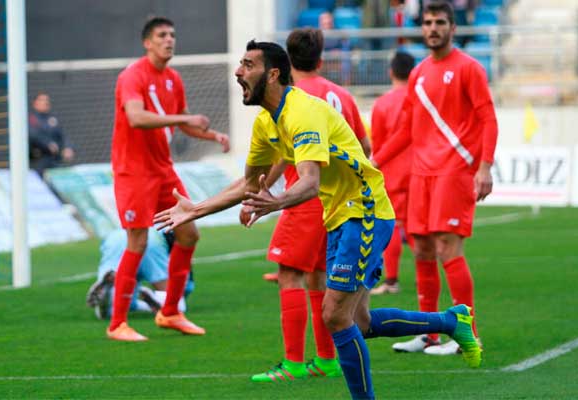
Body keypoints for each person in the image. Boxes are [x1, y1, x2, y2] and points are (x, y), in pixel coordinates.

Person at [155, 39, 481, 399]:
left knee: (334, 316)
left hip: (365, 210)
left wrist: (275, 202)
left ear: (273, 73)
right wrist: (196, 209)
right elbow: (248, 183)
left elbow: (309, 182)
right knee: (359, 322)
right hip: (339, 216)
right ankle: (452, 320)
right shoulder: (267, 122)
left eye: (248, 65)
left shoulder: (303, 112)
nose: (238, 71)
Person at [371, 1, 497, 355]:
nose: (433, 28)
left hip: (455, 170)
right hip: (421, 174)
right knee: (423, 250)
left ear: (452, 28)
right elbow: (407, 128)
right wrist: (375, 160)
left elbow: (488, 118)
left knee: (447, 248)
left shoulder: (469, 69)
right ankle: (429, 333)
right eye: (427, 22)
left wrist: (484, 166)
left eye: (440, 22)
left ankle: (466, 334)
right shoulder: (418, 73)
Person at [249, 27, 370, 383]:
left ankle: (292, 364)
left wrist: (263, 192)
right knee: (319, 276)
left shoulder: (292, 99)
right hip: (337, 201)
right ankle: (327, 359)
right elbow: (364, 147)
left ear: (284, 60)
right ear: (320, 57)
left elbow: (288, 157)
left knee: (289, 274)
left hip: (302, 198)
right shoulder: (340, 95)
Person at [107, 16, 230, 342]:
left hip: (163, 170)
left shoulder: (173, 78)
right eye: (162, 35)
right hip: (133, 171)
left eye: (172, 35)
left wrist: (211, 134)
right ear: (148, 42)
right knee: (138, 241)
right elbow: (135, 117)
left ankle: (171, 311)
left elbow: (181, 123)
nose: (169, 40)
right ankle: (117, 323)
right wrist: (185, 117)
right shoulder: (132, 76)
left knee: (189, 233)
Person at [369, 52, 416, 295]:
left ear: (391, 72)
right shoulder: (420, 100)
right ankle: (424, 275)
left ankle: (392, 280)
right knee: (417, 226)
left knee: (394, 225)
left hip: (392, 171)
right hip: (420, 170)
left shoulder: (383, 104)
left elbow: (377, 142)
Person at [85, 228, 195, 320]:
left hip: (116, 237)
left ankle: (108, 294)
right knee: (177, 306)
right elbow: (185, 274)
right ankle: (157, 300)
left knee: (123, 306)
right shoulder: (173, 226)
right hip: (152, 241)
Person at [28, 92, 75, 177]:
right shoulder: (32, 118)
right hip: (38, 160)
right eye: (42, 100)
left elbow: (62, 135)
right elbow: (33, 135)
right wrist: (48, 144)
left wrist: (68, 147)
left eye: (46, 100)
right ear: (35, 103)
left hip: (55, 159)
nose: (45, 102)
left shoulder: (53, 119)